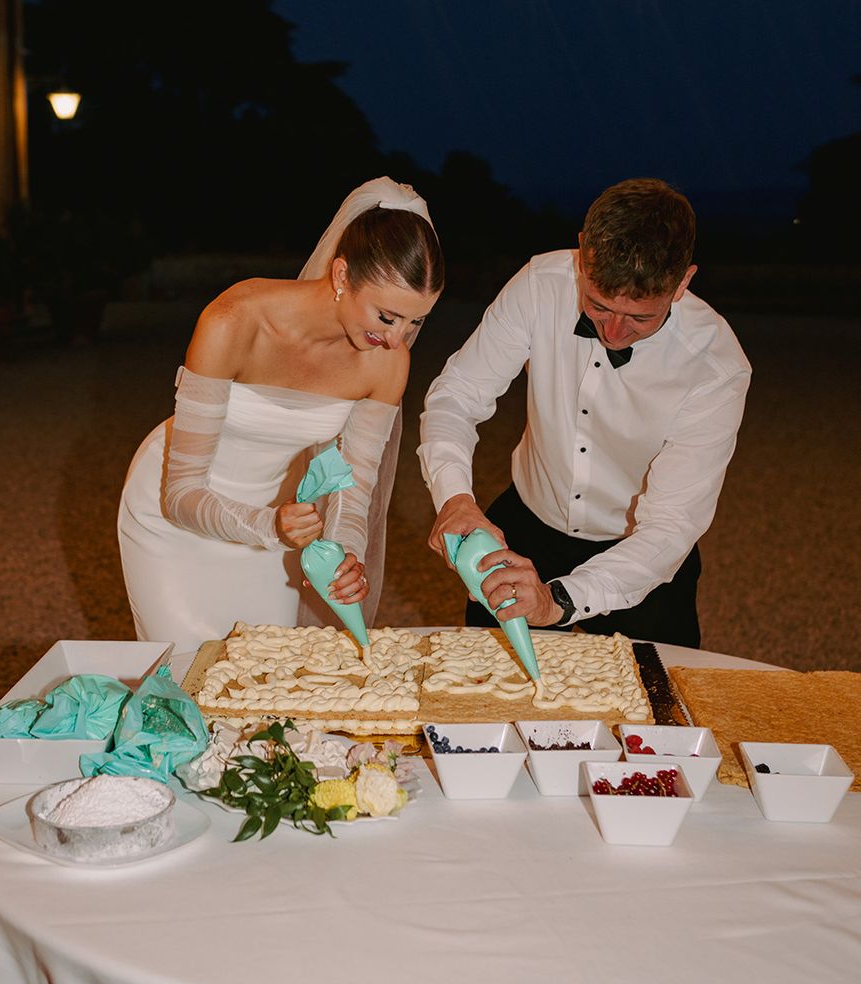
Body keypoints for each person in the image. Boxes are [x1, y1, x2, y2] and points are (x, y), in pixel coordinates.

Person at [418, 178, 751, 648]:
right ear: (582, 254)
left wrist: (559, 601)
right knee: (485, 693)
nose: (614, 331)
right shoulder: (538, 285)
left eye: (640, 318)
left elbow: (671, 525)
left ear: (683, 282)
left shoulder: (717, 367)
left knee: (651, 710)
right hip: (526, 523)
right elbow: (458, 395)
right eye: (597, 305)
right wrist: (454, 497)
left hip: (641, 554)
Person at [118, 177, 444, 651]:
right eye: (387, 317)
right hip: (175, 519)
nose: (399, 340)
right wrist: (269, 526)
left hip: (277, 532)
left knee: (265, 677)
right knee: (186, 677)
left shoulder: (388, 362)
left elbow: (351, 490)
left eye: (417, 322)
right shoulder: (234, 321)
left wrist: (345, 556)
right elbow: (181, 493)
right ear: (340, 276)